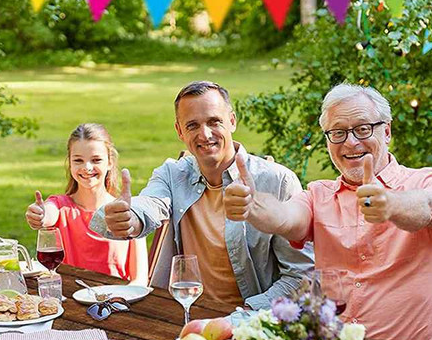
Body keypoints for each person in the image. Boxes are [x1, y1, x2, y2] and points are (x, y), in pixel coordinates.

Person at [224, 83, 432, 340]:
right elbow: (287, 217)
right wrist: (255, 205)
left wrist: (391, 204)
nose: (350, 142)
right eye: (338, 133)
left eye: (363, 129)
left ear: (387, 132)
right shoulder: (318, 194)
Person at [90, 81, 313, 309]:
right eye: (192, 125)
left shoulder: (278, 181)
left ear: (232, 121)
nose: (205, 134)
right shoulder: (172, 174)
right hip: (186, 314)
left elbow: (302, 276)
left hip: (254, 322)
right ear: (179, 131)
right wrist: (130, 219)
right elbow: (150, 203)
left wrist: (245, 315)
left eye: (214, 122)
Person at [25, 123, 147, 284]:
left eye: (96, 159)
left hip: (117, 302)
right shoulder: (60, 206)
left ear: (110, 161)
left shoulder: (125, 213)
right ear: (70, 162)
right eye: (78, 160)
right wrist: (39, 215)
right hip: (69, 302)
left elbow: (139, 279)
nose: (87, 167)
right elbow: (48, 213)